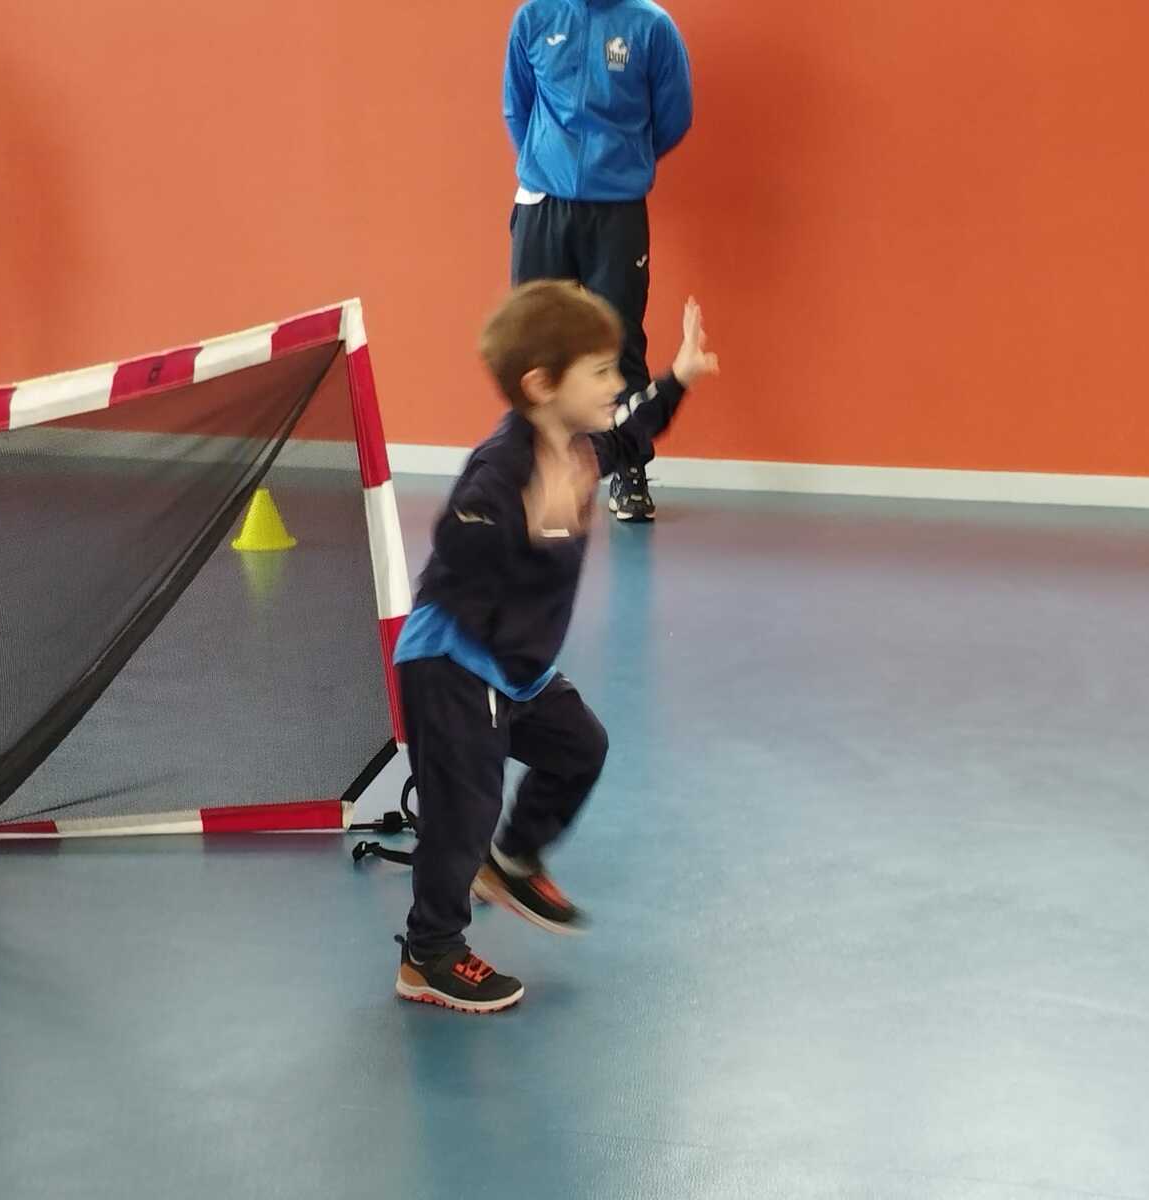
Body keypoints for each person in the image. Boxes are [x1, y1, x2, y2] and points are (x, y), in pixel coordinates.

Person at [392, 282, 719, 1013]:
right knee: (462, 814)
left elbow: (630, 436)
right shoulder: (502, 470)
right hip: (455, 664)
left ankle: (512, 858)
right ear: (542, 385)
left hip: (518, 665)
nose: (615, 384)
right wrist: (531, 526)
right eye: (599, 372)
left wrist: (678, 379)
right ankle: (429, 953)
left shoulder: (574, 447)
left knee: (580, 747)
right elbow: (456, 543)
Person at [503, 0, 694, 522]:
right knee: (533, 341)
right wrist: (547, 164)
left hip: (618, 210)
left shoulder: (651, 25)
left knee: (618, 338)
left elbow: (674, 117)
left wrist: (623, 162)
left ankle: (629, 471)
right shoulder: (534, 17)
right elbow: (517, 108)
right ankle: (530, 468)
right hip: (543, 202)